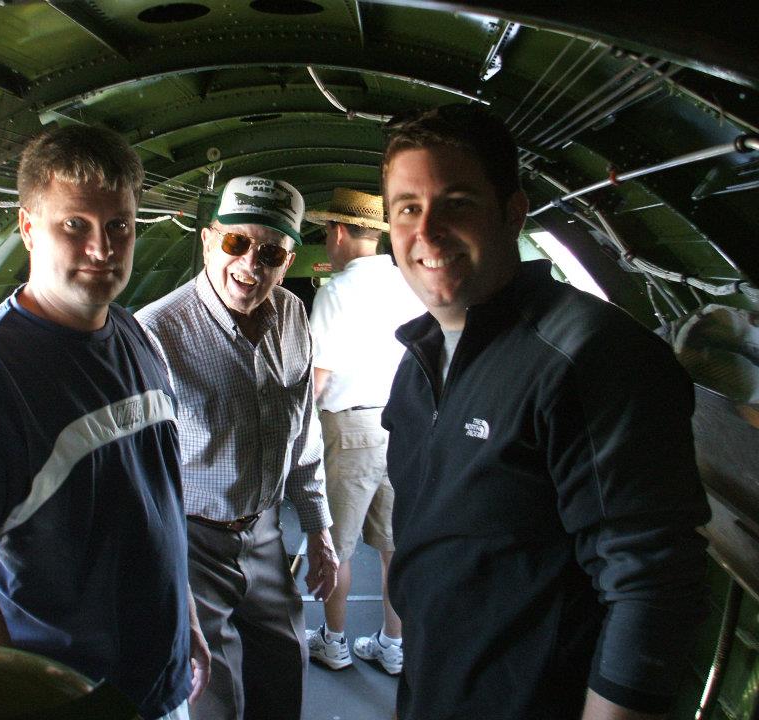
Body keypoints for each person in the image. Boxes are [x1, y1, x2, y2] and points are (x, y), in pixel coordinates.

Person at [380, 104, 711, 720]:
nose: (426, 232)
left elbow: (652, 586)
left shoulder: (588, 356)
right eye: (407, 208)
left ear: (513, 212)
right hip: (437, 685)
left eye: (456, 202)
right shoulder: (420, 360)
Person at [0, 125, 209, 720]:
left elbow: (160, 501)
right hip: (65, 695)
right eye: (74, 225)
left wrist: (188, 623)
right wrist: (11, 700)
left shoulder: (133, 335)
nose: (102, 248)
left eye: (119, 226)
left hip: (160, 680)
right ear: (28, 228)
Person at [136, 176, 339, 720]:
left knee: (284, 666)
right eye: (235, 244)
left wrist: (317, 527)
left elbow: (302, 429)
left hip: (265, 531)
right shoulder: (156, 332)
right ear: (207, 240)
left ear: (289, 257)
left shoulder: (292, 315)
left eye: (270, 252)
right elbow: (138, 472)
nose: (250, 264)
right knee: (212, 694)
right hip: (191, 539)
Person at [301, 188, 423, 676]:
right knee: (395, 544)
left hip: (349, 431)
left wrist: (292, 437)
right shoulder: (406, 285)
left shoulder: (335, 291)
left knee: (338, 545)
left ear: (337, 232)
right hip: (402, 424)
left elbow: (319, 378)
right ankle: (393, 644)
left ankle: (333, 641)